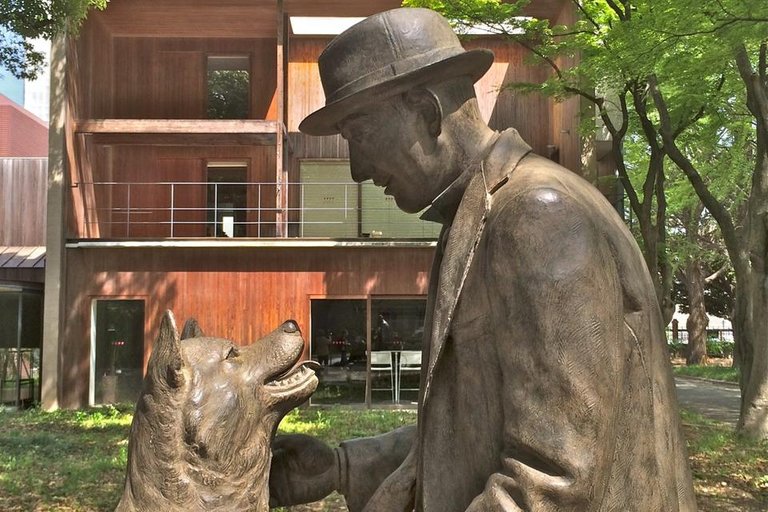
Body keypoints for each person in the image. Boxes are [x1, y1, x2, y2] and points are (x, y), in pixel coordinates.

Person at [270, 8, 696, 511]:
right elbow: (471, 427)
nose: (358, 169)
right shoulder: (482, 215)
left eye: (359, 137)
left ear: (426, 112)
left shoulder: (538, 217)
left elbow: (552, 483)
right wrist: (340, 467)